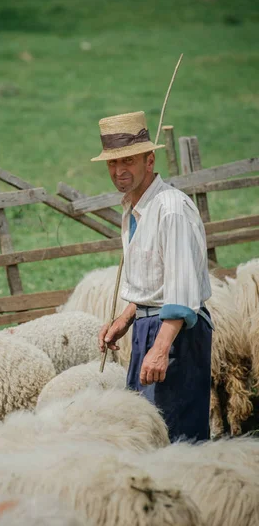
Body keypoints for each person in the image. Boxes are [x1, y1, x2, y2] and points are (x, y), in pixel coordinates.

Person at [94, 111, 213, 442]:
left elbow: (181, 289)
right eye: (112, 164)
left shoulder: (170, 209)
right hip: (149, 327)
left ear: (150, 159)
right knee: (145, 432)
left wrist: (161, 349)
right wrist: (125, 318)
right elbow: (154, 281)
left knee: (176, 436)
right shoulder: (134, 209)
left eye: (128, 161)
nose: (119, 172)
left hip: (176, 333)